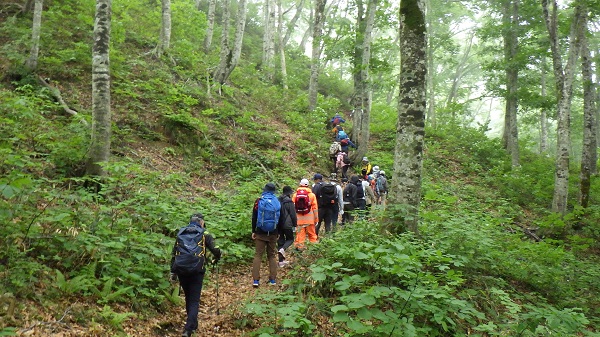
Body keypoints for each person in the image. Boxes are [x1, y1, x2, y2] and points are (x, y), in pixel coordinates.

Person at [170, 213, 222, 337]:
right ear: (201, 222)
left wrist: (173, 271)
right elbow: (216, 250)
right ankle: (188, 328)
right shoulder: (204, 234)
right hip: (197, 270)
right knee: (194, 299)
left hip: (181, 269)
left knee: (189, 297)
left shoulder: (181, 233)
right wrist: (218, 257)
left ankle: (193, 324)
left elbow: (174, 253)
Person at [251, 182, 282, 287]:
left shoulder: (259, 201)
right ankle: (273, 280)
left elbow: (254, 217)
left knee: (258, 255)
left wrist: (254, 231)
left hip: (260, 231)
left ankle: (256, 280)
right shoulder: (277, 201)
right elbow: (280, 218)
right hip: (273, 232)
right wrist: (278, 232)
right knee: (272, 255)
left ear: (265, 190)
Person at [293, 179, 319, 249]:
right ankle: (314, 249)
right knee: (312, 235)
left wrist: (293, 220)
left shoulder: (295, 195)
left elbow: (293, 208)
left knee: (300, 236)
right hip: (310, 219)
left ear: (300, 184)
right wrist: (316, 219)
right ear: (308, 185)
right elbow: (315, 208)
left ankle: (299, 250)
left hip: (299, 219)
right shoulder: (312, 195)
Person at [277, 186, 297, 267]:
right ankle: (283, 249)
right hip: (287, 224)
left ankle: (281, 262)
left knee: (280, 241)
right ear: (289, 193)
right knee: (290, 239)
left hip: (278, 224)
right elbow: (293, 214)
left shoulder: (278, 200)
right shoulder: (289, 202)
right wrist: (294, 225)